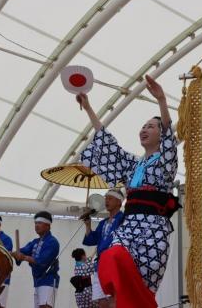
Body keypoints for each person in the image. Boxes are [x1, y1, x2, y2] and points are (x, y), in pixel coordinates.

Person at [77, 75, 180, 308]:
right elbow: (107, 142)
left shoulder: (165, 161)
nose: (144, 129)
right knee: (111, 258)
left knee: (142, 289)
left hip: (153, 230)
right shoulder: (133, 164)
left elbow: (169, 137)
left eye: (151, 127)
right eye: (143, 126)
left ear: (161, 135)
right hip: (129, 227)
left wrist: (162, 100)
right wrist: (89, 108)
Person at [82, 188, 124, 308]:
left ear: (119, 202)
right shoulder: (103, 222)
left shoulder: (123, 220)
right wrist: (88, 225)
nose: (106, 201)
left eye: (110, 198)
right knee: (102, 301)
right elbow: (92, 240)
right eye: (106, 198)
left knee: (113, 299)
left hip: (113, 263)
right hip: (100, 264)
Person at [12, 211, 60, 308]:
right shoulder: (34, 242)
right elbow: (23, 251)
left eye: (39, 223)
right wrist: (11, 253)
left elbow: (42, 261)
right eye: (35, 223)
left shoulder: (52, 242)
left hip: (48, 280)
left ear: (48, 225)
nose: (36, 225)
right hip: (38, 281)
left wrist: (24, 257)